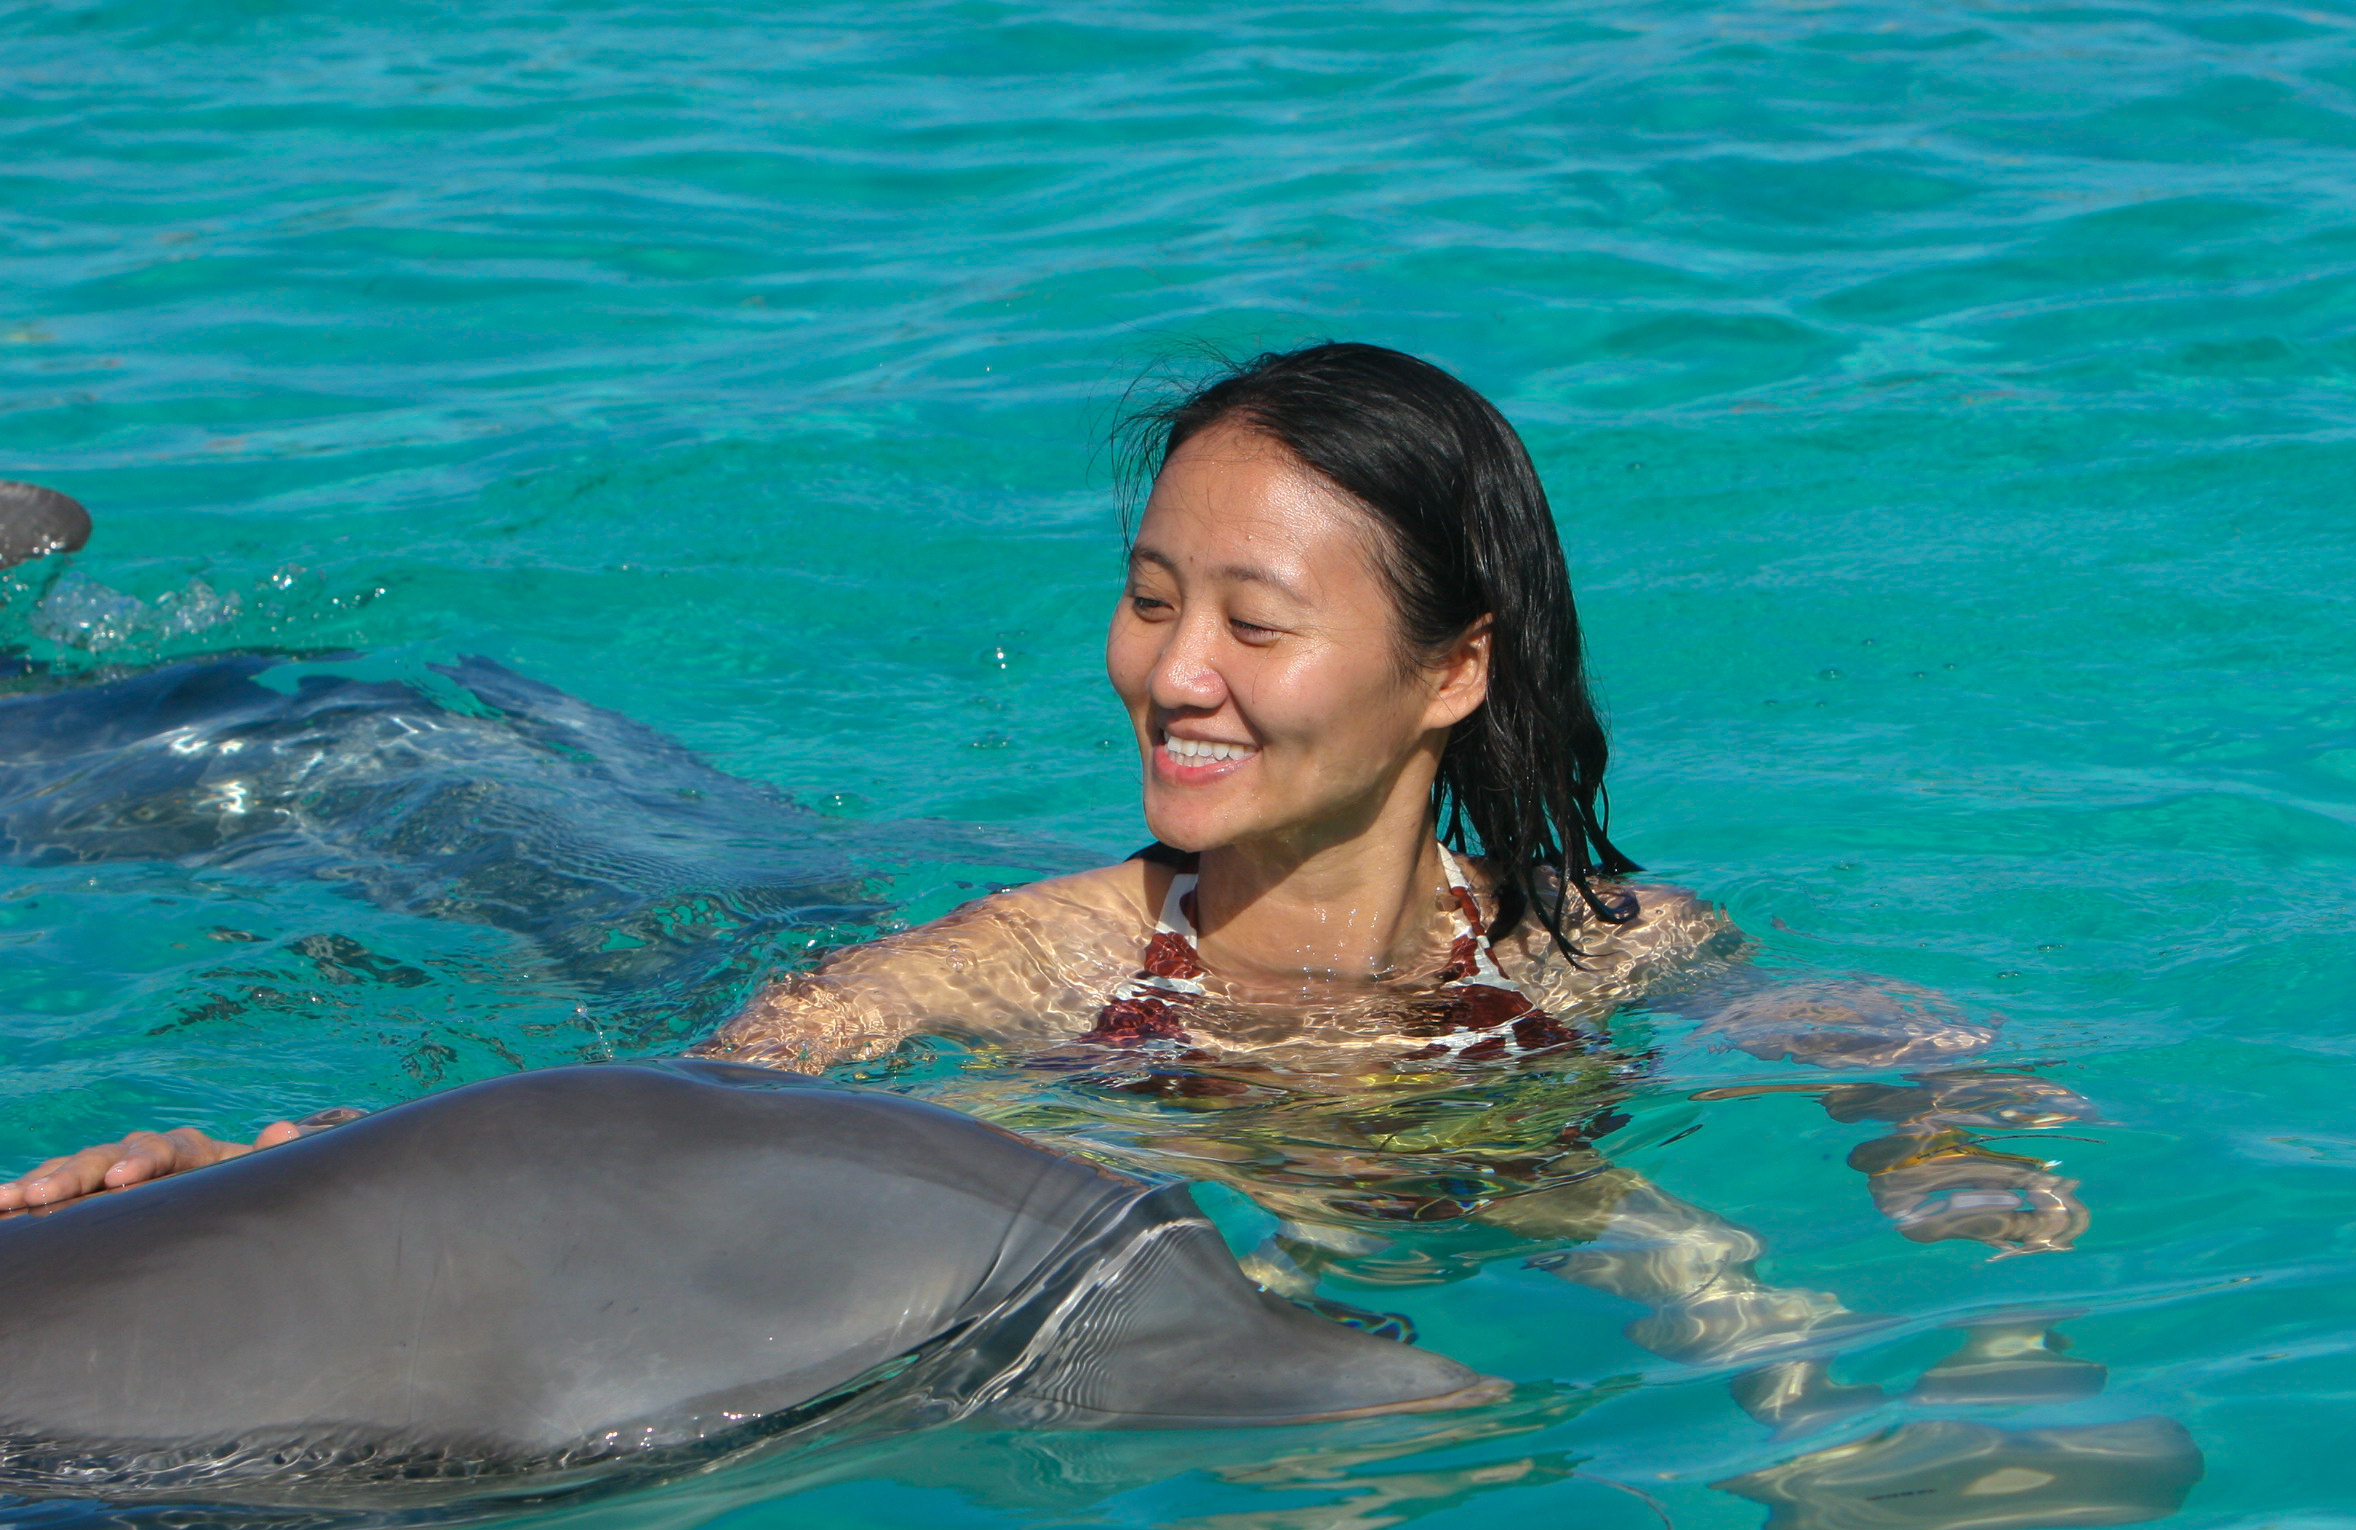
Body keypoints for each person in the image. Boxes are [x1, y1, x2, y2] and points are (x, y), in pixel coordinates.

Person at [0, 345, 2092, 1421]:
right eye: (1149, 599)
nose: (1171, 673)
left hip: (870, 914)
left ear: (1453, 667)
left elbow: (1876, 1030)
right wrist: (280, 1171)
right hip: (676, 906)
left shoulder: (1582, 938)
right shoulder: (1018, 973)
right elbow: (694, 1120)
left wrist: (1949, 1143)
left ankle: (1848, 1427)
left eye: (1253, 626)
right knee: (391, 780)